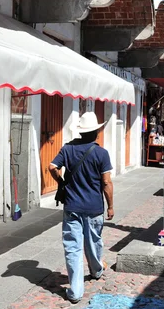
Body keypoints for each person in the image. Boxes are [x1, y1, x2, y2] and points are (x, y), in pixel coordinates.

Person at [48, 112, 113, 304]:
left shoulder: (68, 149)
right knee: (93, 241)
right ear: (96, 132)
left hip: (72, 206)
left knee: (73, 247)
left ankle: (75, 291)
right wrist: (111, 206)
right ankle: (96, 270)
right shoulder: (101, 153)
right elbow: (107, 183)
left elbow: (52, 166)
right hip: (94, 206)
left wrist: (61, 181)